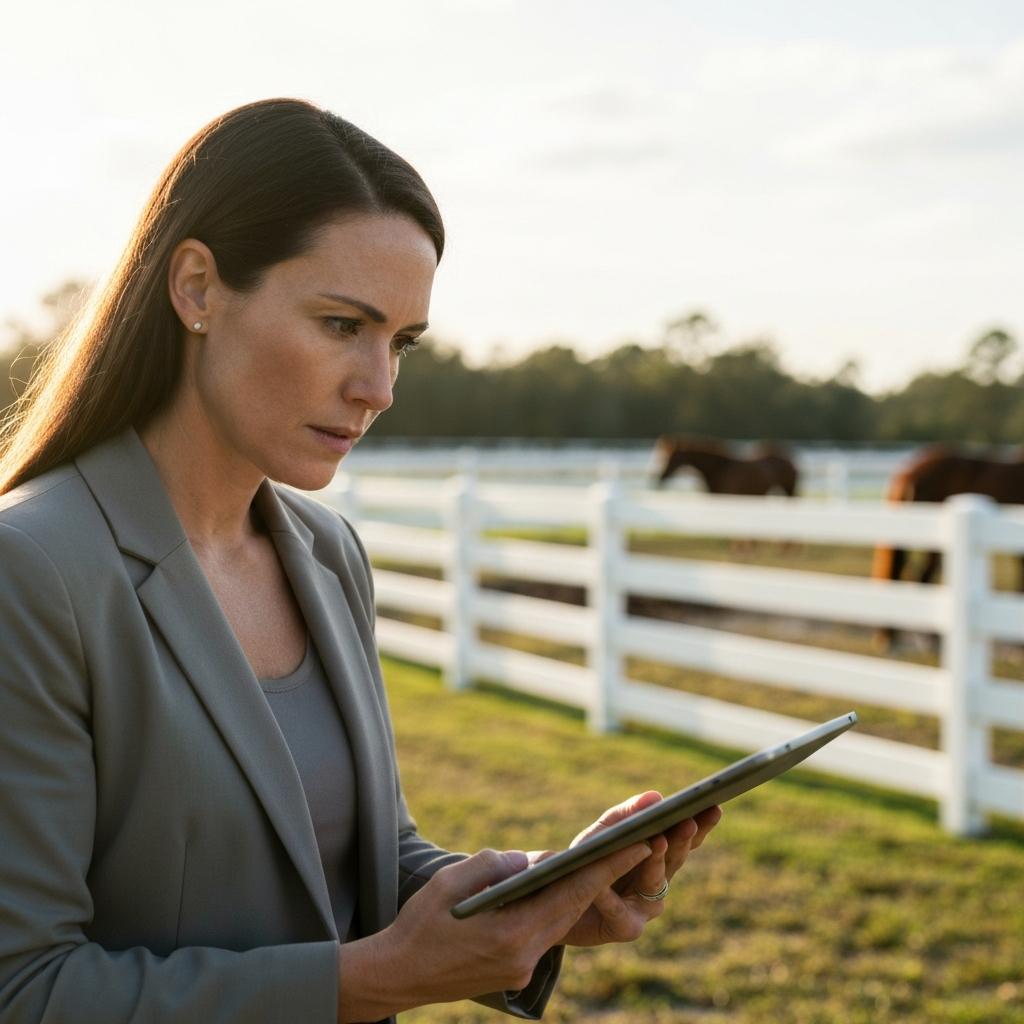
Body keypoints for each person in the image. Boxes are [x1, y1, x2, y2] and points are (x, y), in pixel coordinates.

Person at [0, 98, 721, 1023]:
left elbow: (344, 862)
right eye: (344, 325)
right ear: (196, 289)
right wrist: (377, 981)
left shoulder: (327, 555)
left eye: (401, 343)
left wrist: (522, 902)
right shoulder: (33, 573)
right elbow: (23, 990)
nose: (377, 389)